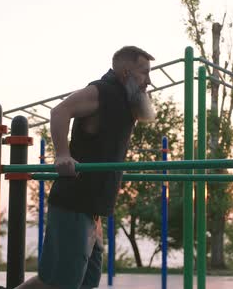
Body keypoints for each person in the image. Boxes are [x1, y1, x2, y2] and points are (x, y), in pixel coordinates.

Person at [15, 46, 156, 289]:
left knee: (84, 282)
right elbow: (60, 111)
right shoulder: (102, 91)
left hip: (92, 208)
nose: (149, 81)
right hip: (74, 204)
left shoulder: (125, 101)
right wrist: (62, 154)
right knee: (59, 283)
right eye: (144, 73)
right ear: (125, 73)